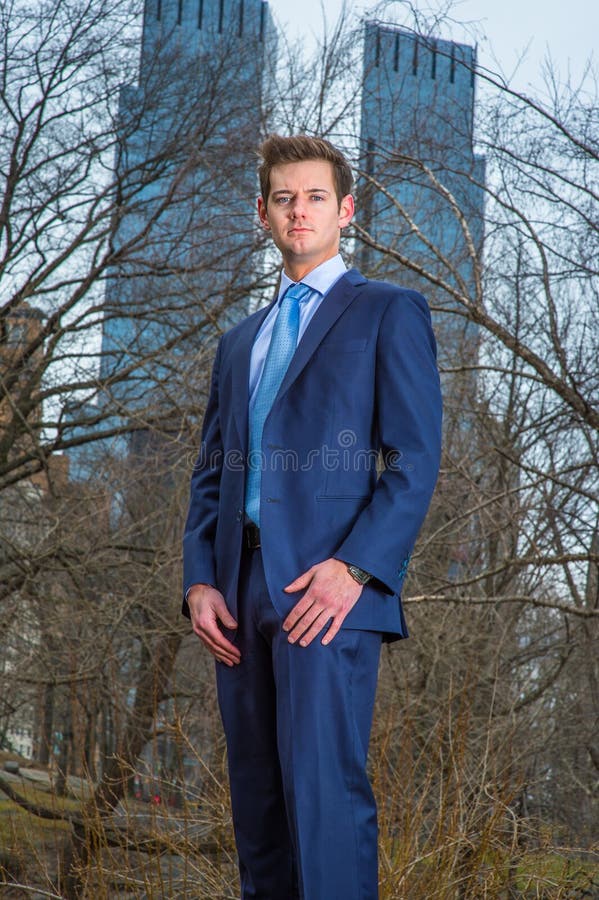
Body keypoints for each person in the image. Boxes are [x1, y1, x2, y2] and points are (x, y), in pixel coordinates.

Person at [183, 134, 442, 900]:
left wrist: (356, 569)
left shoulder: (388, 312)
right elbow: (209, 475)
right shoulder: (239, 344)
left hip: (327, 593)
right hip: (237, 593)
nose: (300, 211)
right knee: (257, 806)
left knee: (324, 801)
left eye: (316, 197)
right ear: (260, 212)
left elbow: (414, 460)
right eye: (285, 198)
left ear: (346, 210)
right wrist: (200, 582)